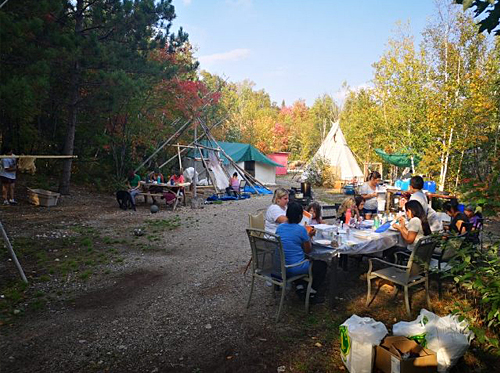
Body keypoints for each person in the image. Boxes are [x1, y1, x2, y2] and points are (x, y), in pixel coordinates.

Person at [275, 202, 327, 304]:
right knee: (321, 266)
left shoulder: (280, 227)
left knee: (297, 257)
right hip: (293, 267)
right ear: (300, 217)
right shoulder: (301, 229)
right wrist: (309, 236)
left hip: (280, 266)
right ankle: (312, 292)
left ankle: (300, 287)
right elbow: (308, 250)